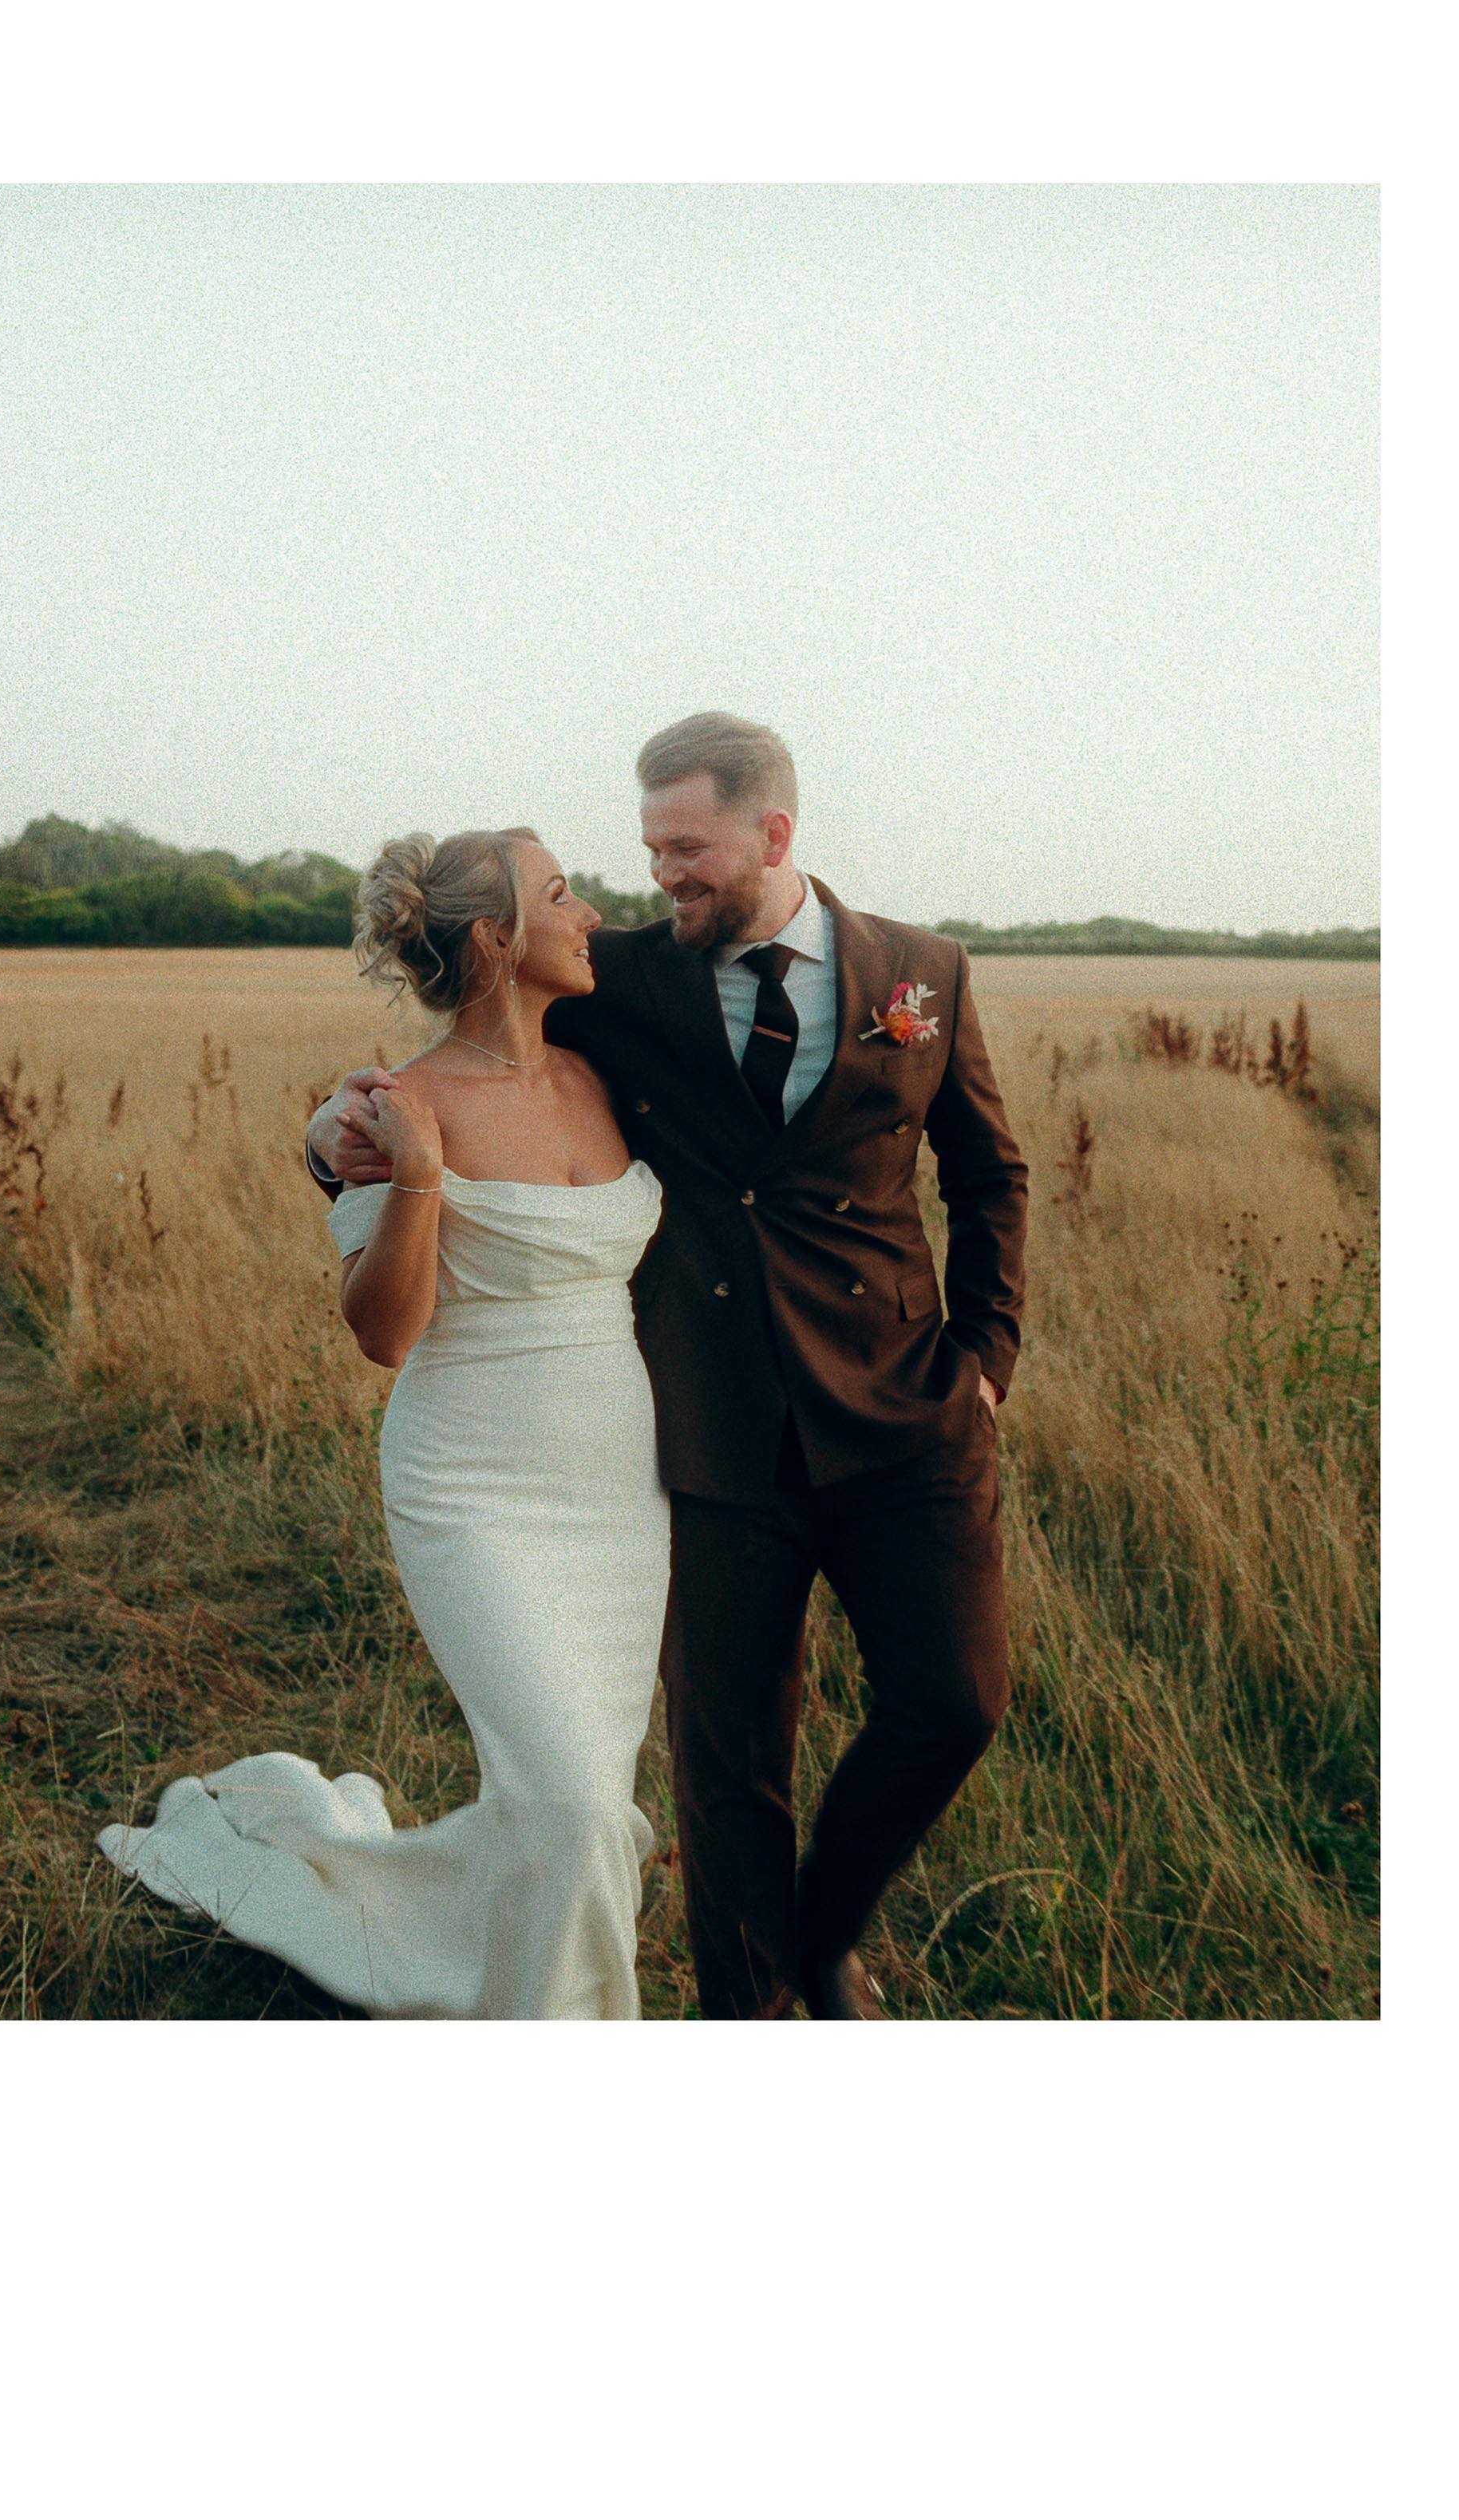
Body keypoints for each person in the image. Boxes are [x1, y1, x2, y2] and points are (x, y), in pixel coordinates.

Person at [311, 713, 1028, 2019]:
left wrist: (986, 1355)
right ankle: (746, 2012)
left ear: (775, 833)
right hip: (706, 1433)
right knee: (726, 1759)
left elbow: (990, 1177)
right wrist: (334, 1133)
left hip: (906, 1418)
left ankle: (821, 1934)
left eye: (688, 848)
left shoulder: (924, 975)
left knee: (958, 1698)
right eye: (647, 852)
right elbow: (466, 1061)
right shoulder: (623, 978)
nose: (662, 879)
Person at [99, 829, 671, 2019]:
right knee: (569, 1800)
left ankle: (531, 1971)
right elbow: (383, 1334)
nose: (592, 912)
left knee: (576, 1797)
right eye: (562, 894)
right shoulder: (398, 1110)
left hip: (620, 1489)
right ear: (497, 940)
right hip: (473, 1484)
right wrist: (412, 1172)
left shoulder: (607, 1065)